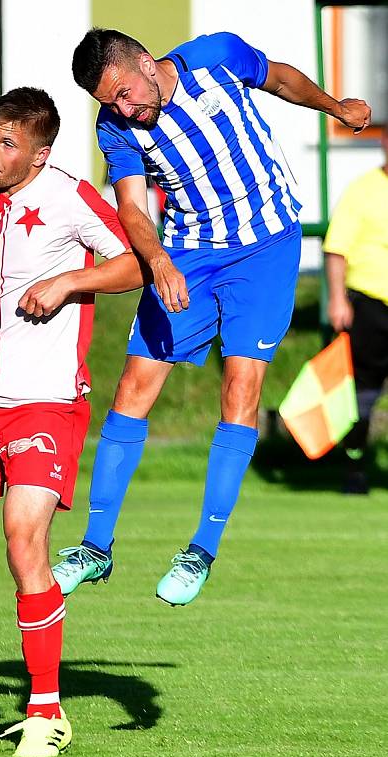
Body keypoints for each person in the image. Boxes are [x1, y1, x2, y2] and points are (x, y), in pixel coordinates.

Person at [50, 28, 371, 606]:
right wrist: (158, 262)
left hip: (267, 248)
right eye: (110, 102)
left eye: (126, 92)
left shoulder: (216, 57)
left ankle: (200, 549)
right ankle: (95, 547)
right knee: (132, 387)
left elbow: (280, 78)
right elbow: (130, 206)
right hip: (189, 254)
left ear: (147, 63)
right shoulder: (116, 129)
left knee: (240, 385)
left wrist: (334, 106)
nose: (125, 108)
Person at [0, 86, 144, 756]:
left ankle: (45, 707)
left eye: (7, 143)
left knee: (22, 539)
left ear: (40, 154)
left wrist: (69, 283)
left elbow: (133, 264)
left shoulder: (68, 197)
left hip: (44, 403)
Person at [323, 124, 388, 494]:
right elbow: (337, 249)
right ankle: (355, 467)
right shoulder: (362, 190)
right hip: (369, 304)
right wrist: (337, 298)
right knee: (362, 391)